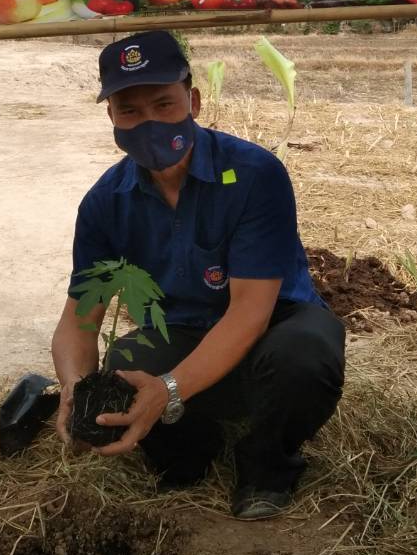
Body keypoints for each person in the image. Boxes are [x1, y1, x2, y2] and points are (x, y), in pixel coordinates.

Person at [51, 31, 345, 520]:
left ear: (194, 101)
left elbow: (250, 312)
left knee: (306, 353)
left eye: (163, 104)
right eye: (129, 111)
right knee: (126, 362)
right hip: (185, 330)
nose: (148, 122)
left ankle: (267, 466)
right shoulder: (105, 203)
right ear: (112, 118)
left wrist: (167, 389)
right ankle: (191, 453)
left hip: (275, 322)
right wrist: (75, 387)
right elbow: (79, 321)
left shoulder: (254, 174)